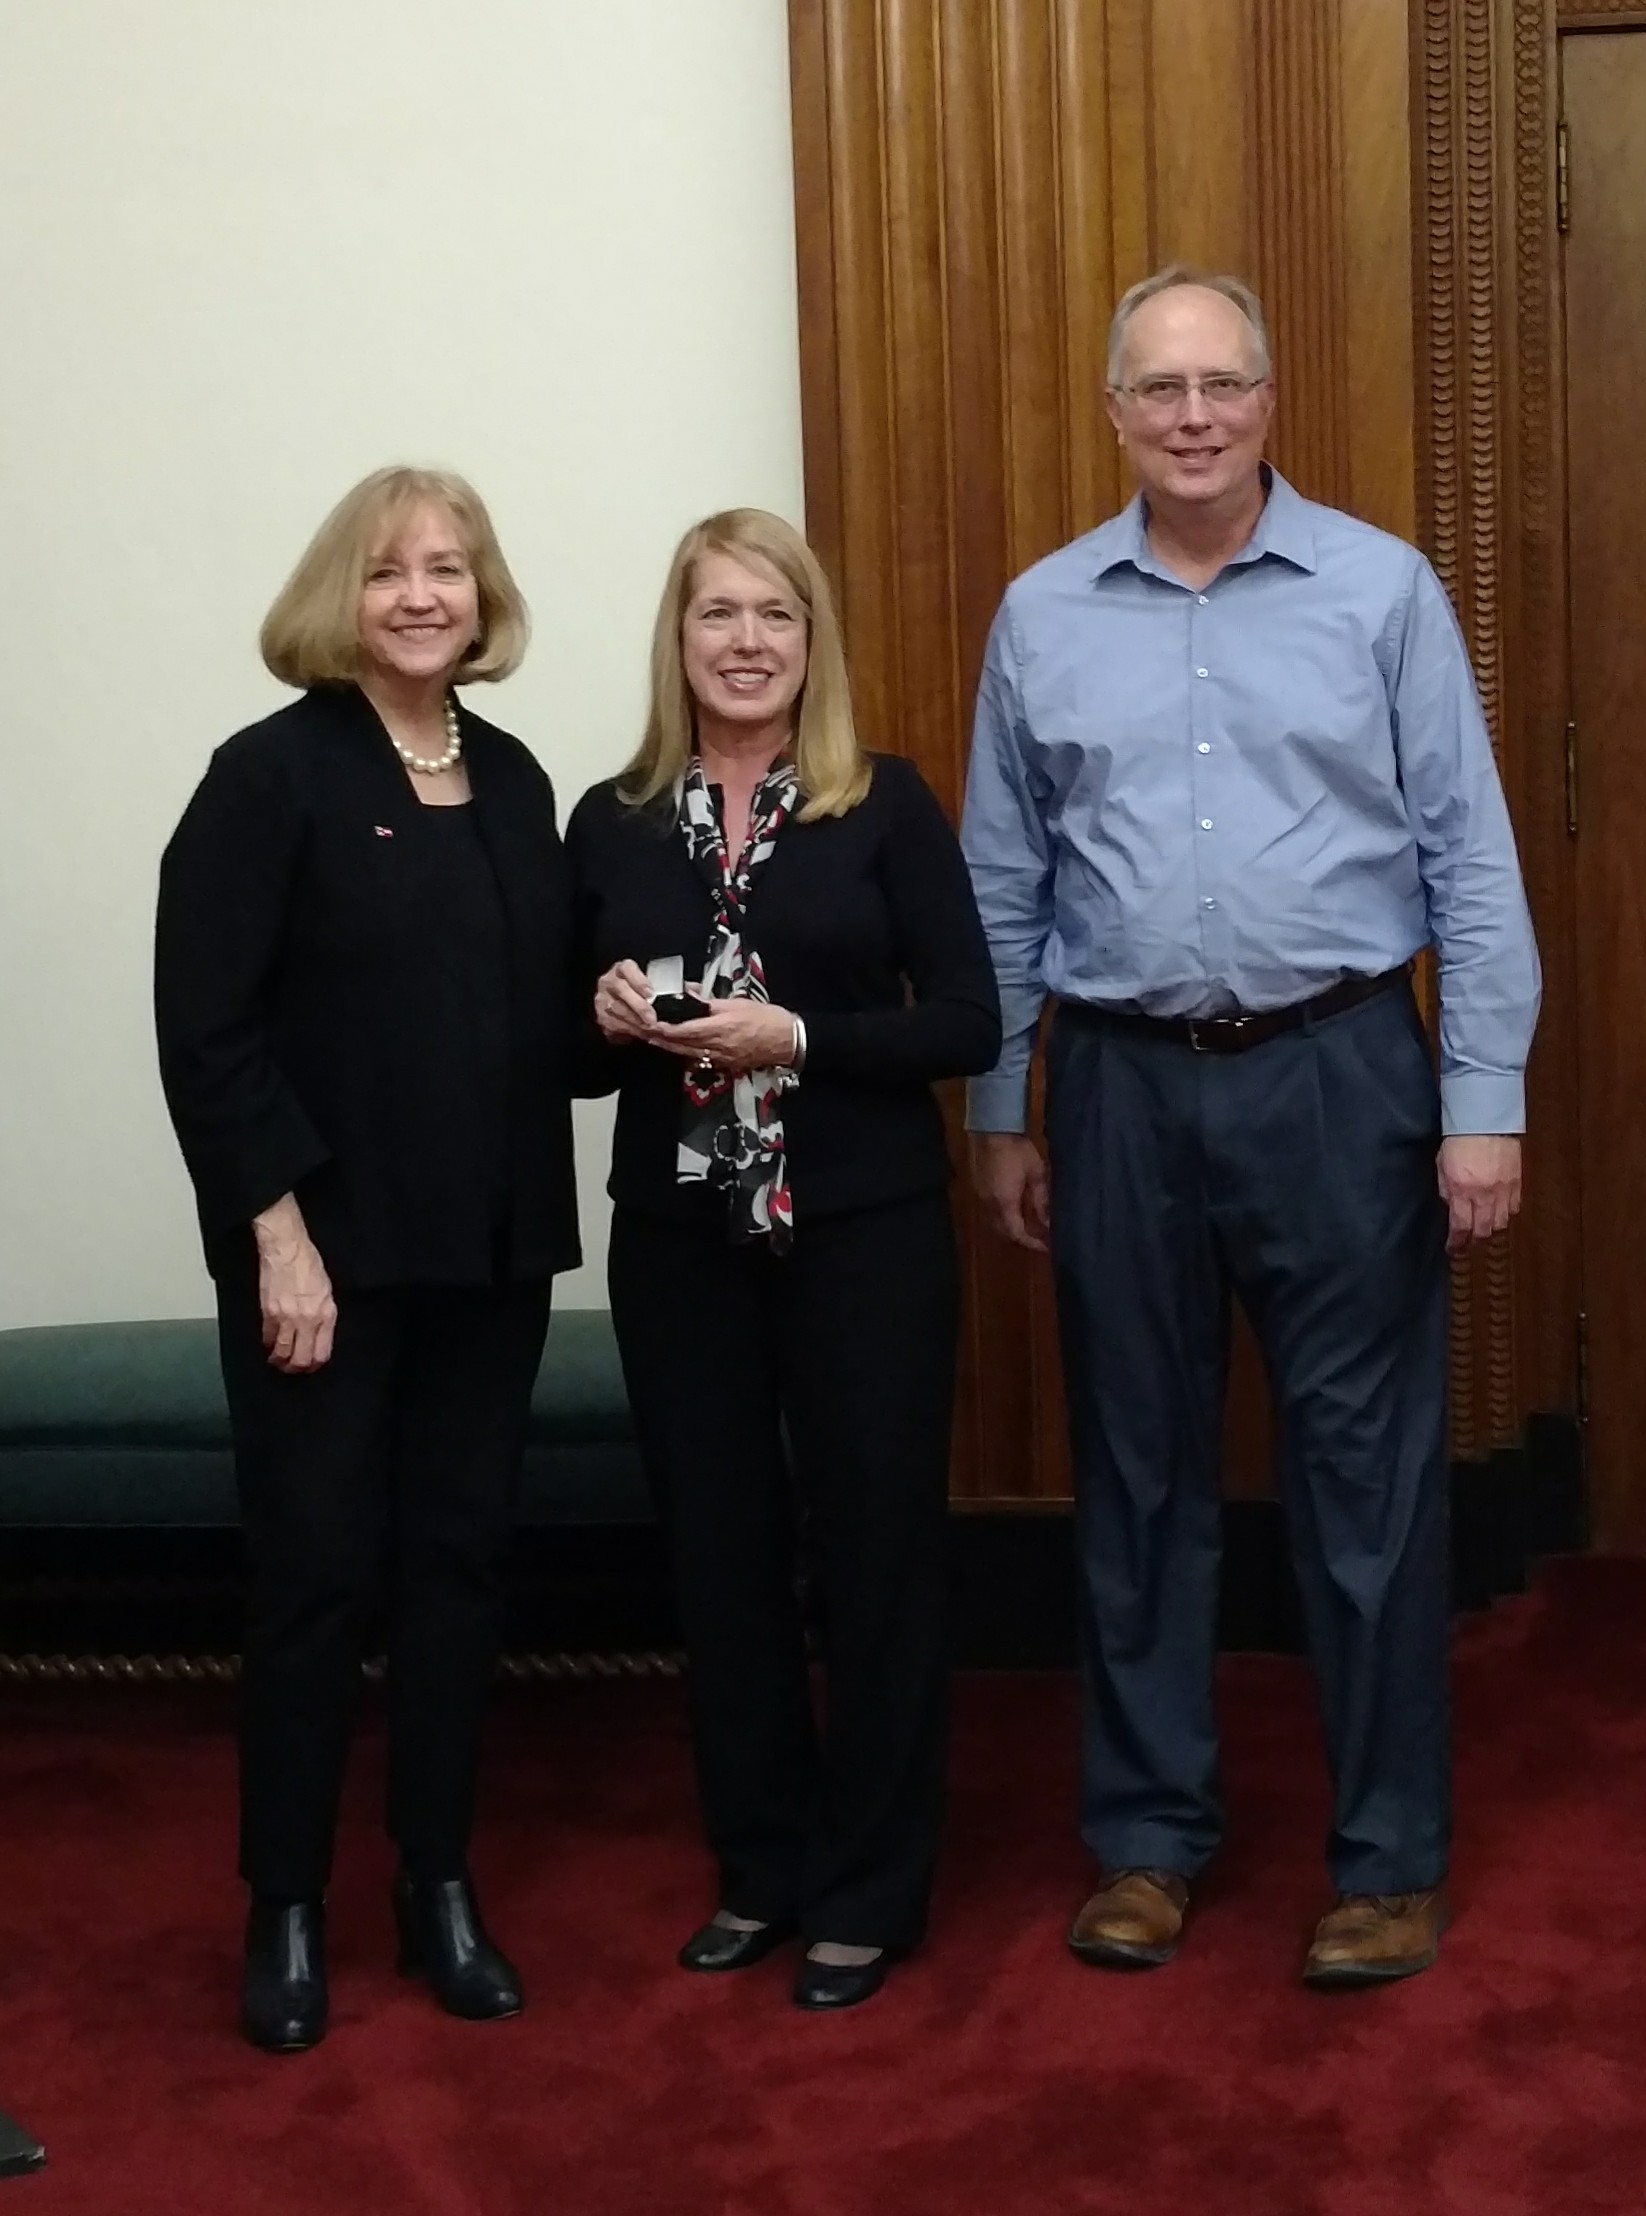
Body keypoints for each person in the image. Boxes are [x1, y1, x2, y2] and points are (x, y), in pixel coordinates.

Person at [961, 267, 1541, 1989]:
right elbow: (1006, 884)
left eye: (1222, 383)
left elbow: (1471, 861)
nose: (1194, 415)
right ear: (1113, 414)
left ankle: (1384, 1862)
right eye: (1160, 389)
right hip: (1120, 1084)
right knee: (1136, 1478)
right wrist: (1003, 1109)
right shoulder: (1042, 611)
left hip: (1340, 1075)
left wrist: (1481, 1108)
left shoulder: (1381, 590)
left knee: (1363, 1488)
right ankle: (1144, 1844)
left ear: (1268, 399)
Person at [154, 466, 580, 2051]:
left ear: (485, 599)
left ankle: (436, 1884)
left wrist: (625, 1016)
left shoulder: (521, 778)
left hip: (492, 1253)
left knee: (461, 1573)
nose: (423, 596)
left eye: (451, 571)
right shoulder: (268, 778)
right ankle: (284, 1904)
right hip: (323, 1259)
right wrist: (275, 1237)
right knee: (317, 1580)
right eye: (393, 570)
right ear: (343, 593)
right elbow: (207, 1032)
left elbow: (536, 1024)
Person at [566, 508, 1000, 2011]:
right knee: (720, 1557)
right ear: (675, 641)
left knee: (873, 1556)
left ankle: (869, 1894)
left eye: (774, 615)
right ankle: (760, 1869)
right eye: (715, 615)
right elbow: (560, 1051)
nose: (744, 641)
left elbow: (966, 1022)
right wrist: (607, 1016)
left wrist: (804, 1037)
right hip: (680, 1235)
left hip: (860, 1232)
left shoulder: (880, 805)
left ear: (811, 644)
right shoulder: (610, 818)